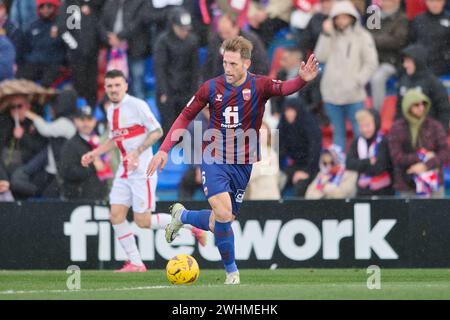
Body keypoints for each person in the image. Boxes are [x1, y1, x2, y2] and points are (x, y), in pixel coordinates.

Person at [147, 36, 320, 284]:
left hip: (244, 162)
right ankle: (232, 273)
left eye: (233, 64)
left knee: (222, 221)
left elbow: (284, 88)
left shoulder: (259, 86)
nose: (227, 69)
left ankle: (183, 217)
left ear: (246, 63)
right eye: (225, 63)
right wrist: (164, 149)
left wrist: (302, 80)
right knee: (224, 214)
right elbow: (185, 116)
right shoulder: (210, 88)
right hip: (213, 156)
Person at [81, 70, 206, 272]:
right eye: (110, 86)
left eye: (117, 85)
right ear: (105, 88)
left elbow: (157, 131)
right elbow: (116, 138)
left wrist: (137, 152)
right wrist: (95, 153)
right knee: (116, 215)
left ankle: (190, 224)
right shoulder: (111, 110)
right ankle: (136, 263)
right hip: (124, 169)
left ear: (126, 86)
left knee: (143, 221)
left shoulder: (137, 105)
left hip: (142, 170)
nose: (113, 89)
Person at [314, 0, 378, 150]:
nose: (342, 20)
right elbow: (320, 56)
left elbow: (371, 63)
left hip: (354, 95)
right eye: (338, 17)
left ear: (352, 17)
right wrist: (325, 34)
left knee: (359, 132)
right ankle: (340, 166)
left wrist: (358, 81)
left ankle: (361, 165)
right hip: (332, 94)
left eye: (345, 17)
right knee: (338, 133)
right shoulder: (329, 35)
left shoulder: (363, 36)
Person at [388, 89, 449, 197]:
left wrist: (426, 165)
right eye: (416, 104)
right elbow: (396, 156)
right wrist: (420, 157)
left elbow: (445, 152)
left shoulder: (434, 125)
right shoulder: (397, 128)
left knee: (436, 213)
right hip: (406, 182)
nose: (421, 107)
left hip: (433, 182)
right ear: (408, 106)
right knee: (408, 213)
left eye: (423, 104)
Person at [153, 7, 200, 138]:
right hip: (168, 91)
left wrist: (195, 92)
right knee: (169, 128)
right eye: (181, 29)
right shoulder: (162, 42)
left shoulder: (192, 41)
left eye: (186, 29)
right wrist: (163, 91)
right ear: (173, 26)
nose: (184, 32)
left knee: (186, 128)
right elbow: (160, 68)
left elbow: (195, 69)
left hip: (185, 90)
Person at [99, 0, 152, 99]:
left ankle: (139, 113)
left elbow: (139, 22)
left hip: (135, 50)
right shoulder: (110, 3)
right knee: (117, 86)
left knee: (137, 86)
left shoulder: (139, 2)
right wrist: (108, 37)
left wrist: (120, 37)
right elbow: (102, 23)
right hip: (114, 51)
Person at [56, 0, 104, 107]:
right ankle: (79, 114)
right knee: (79, 86)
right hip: (76, 57)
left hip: (92, 55)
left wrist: (99, 43)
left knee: (92, 87)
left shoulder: (95, 5)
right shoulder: (69, 5)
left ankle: (91, 114)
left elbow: (99, 27)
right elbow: (63, 30)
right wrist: (75, 48)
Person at [395, 44, 450, 131]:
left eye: (408, 61)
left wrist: (439, 134)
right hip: (407, 134)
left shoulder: (433, 83)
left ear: (418, 61)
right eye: (404, 61)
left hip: (428, 132)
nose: (405, 65)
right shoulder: (403, 81)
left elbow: (444, 111)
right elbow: (398, 111)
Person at [59, 105, 108, 200]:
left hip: (101, 197)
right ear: (75, 121)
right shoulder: (70, 145)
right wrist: (93, 167)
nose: (86, 123)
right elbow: (66, 172)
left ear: (94, 121)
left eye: (89, 119)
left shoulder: (100, 142)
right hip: (79, 200)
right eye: (82, 119)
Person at [202, 14, 269, 81]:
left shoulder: (251, 41)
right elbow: (208, 68)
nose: (224, 37)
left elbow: (262, 67)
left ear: (236, 28)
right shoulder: (215, 41)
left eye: (228, 33)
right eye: (221, 33)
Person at [368, 0, 409, 111]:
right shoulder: (374, 16)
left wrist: (374, 40)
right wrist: (381, 39)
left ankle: (376, 114)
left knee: (377, 78)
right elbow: (366, 36)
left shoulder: (402, 18)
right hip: (371, 59)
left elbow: (397, 42)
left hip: (391, 61)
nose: (384, 2)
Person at [16, 0, 66, 88]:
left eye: (49, 7)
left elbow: (67, 48)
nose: (45, 10)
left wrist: (63, 64)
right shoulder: (33, 26)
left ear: (55, 7)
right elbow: (24, 48)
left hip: (53, 64)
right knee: (19, 78)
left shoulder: (62, 26)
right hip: (34, 62)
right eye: (42, 7)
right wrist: (22, 62)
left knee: (46, 83)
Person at [278, 98, 322, 197]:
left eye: (292, 110)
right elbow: (278, 150)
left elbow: (315, 150)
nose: (289, 114)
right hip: (292, 166)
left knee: (300, 186)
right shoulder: (282, 125)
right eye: (286, 111)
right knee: (275, 183)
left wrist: (306, 171)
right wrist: (287, 171)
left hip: (311, 167)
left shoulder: (310, 125)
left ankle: (297, 212)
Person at [346, 109, 394, 197]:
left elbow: (379, 168)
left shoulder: (383, 141)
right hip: (362, 191)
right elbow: (349, 164)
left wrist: (361, 166)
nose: (364, 130)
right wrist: (368, 162)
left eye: (367, 126)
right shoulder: (357, 141)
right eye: (361, 126)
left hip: (384, 192)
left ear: (376, 124)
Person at [409, 0, 450, 76]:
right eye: (432, 1)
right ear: (426, 2)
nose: (435, 4)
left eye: (438, 1)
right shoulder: (418, 19)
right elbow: (412, 41)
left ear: (443, 2)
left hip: (442, 63)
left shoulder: (448, 19)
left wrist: (446, 56)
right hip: (421, 62)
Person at [246, 122, 281, 200]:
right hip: (257, 197)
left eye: (264, 132)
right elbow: (248, 176)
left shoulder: (272, 153)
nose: (262, 135)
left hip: (273, 196)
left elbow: (276, 175)